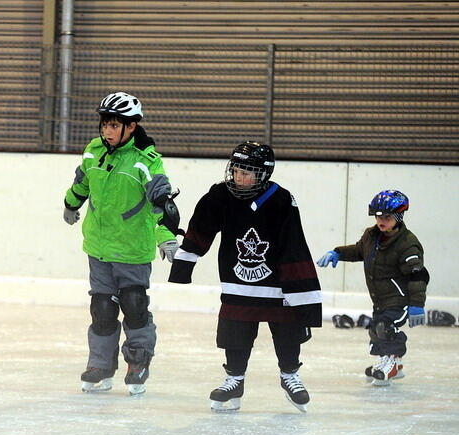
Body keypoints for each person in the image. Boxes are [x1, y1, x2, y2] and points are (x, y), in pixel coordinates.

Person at [168, 141, 322, 413]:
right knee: (235, 331)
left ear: (263, 174)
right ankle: (234, 379)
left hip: (277, 285)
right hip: (237, 282)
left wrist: (301, 291)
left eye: (247, 172)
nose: (240, 177)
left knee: (287, 331)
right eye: (237, 170)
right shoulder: (220, 195)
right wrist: (185, 263)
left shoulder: (281, 199)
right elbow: (201, 228)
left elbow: (294, 243)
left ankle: (289, 375)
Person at [62, 92, 181, 396]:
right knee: (101, 308)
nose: (107, 131)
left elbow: (161, 205)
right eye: (104, 125)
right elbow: (83, 182)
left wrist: (166, 237)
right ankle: (101, 365)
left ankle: (138, 361)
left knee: (134, 304)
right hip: (99, 246)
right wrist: (71, 204)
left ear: (131, 127)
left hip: (131, 249)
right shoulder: (93, 150)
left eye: (115, 126)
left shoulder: (146, 161)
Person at [316, 190, 428, 386]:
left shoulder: (408, 244)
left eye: (386, 217)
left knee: (385, 326)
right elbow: (359, 250)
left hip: (400, 299)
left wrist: (417, 304)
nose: (380, 221)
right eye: (378, 216)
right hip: (380, 299)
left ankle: (391, 363)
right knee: (376, 331)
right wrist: (337, 253)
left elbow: (418, 274)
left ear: (398, 217)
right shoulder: (371, 235)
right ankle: (392, 363)